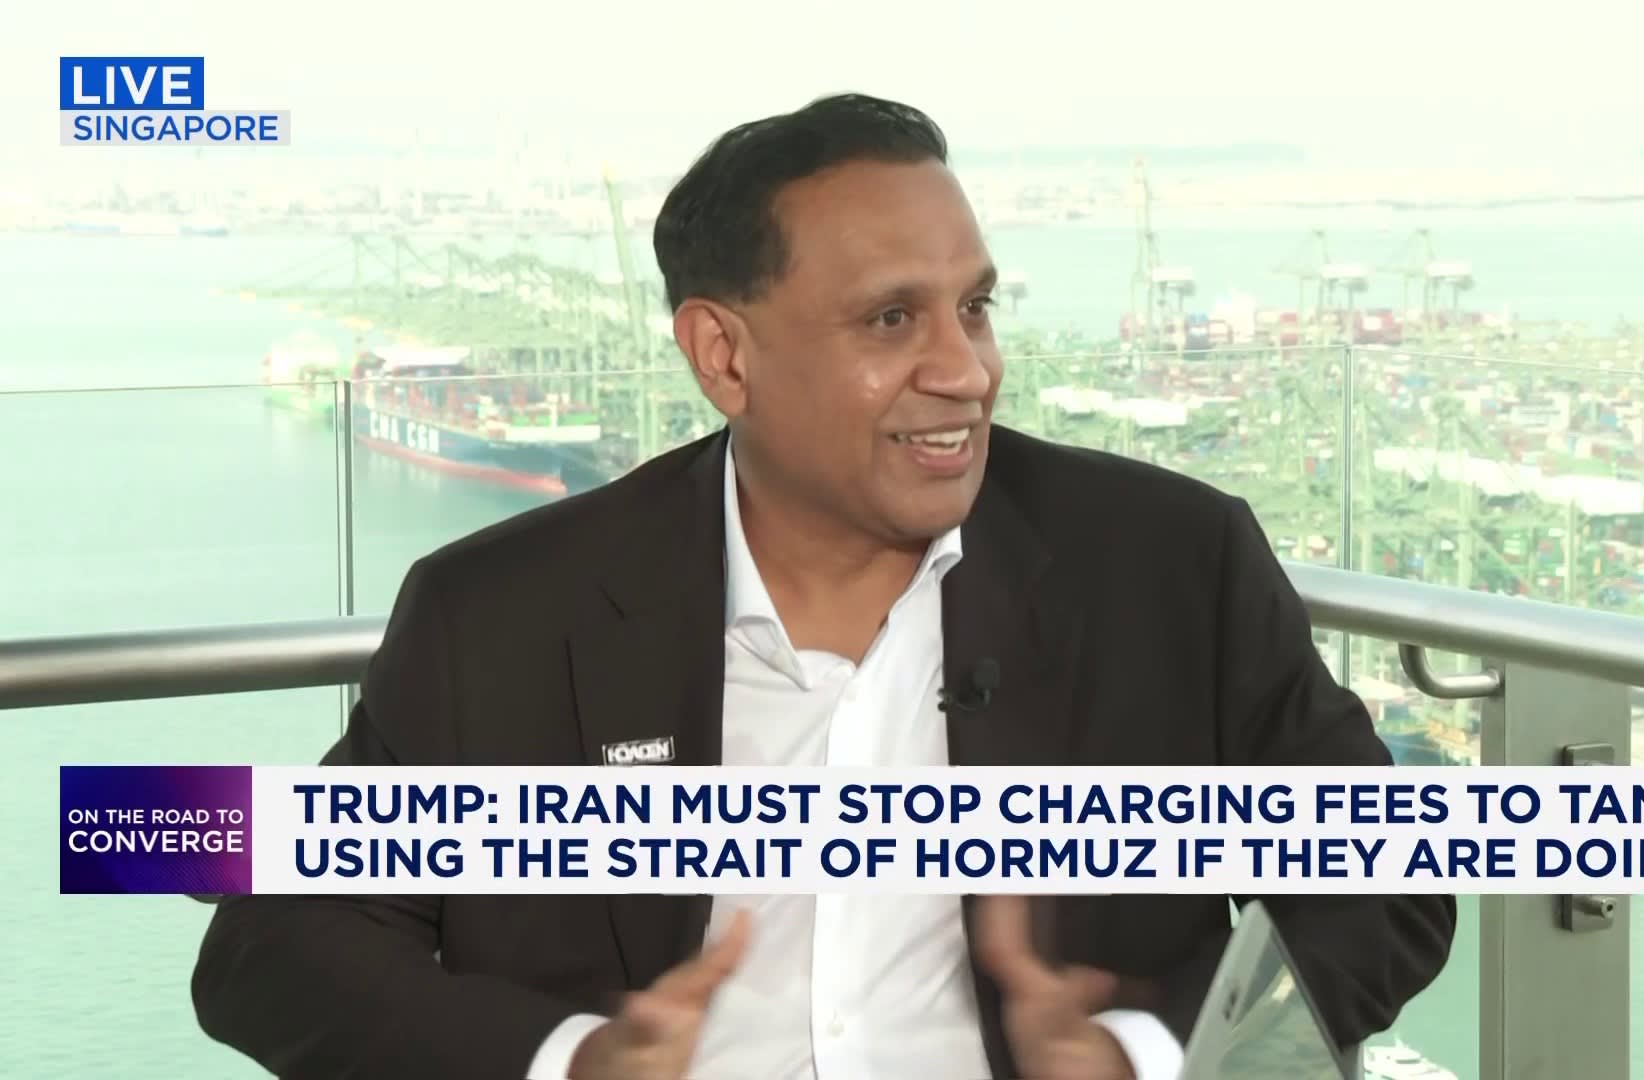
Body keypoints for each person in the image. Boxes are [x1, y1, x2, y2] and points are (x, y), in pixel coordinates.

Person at [191, 93, 1455, 1080]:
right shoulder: (505, 615)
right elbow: (275, 946)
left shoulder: (1168, 564)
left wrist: (1145, 1053)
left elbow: (1387, 877)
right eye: (891, 321)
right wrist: (572, 1060)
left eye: (975, 307)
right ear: (723, 355)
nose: (966, 370)